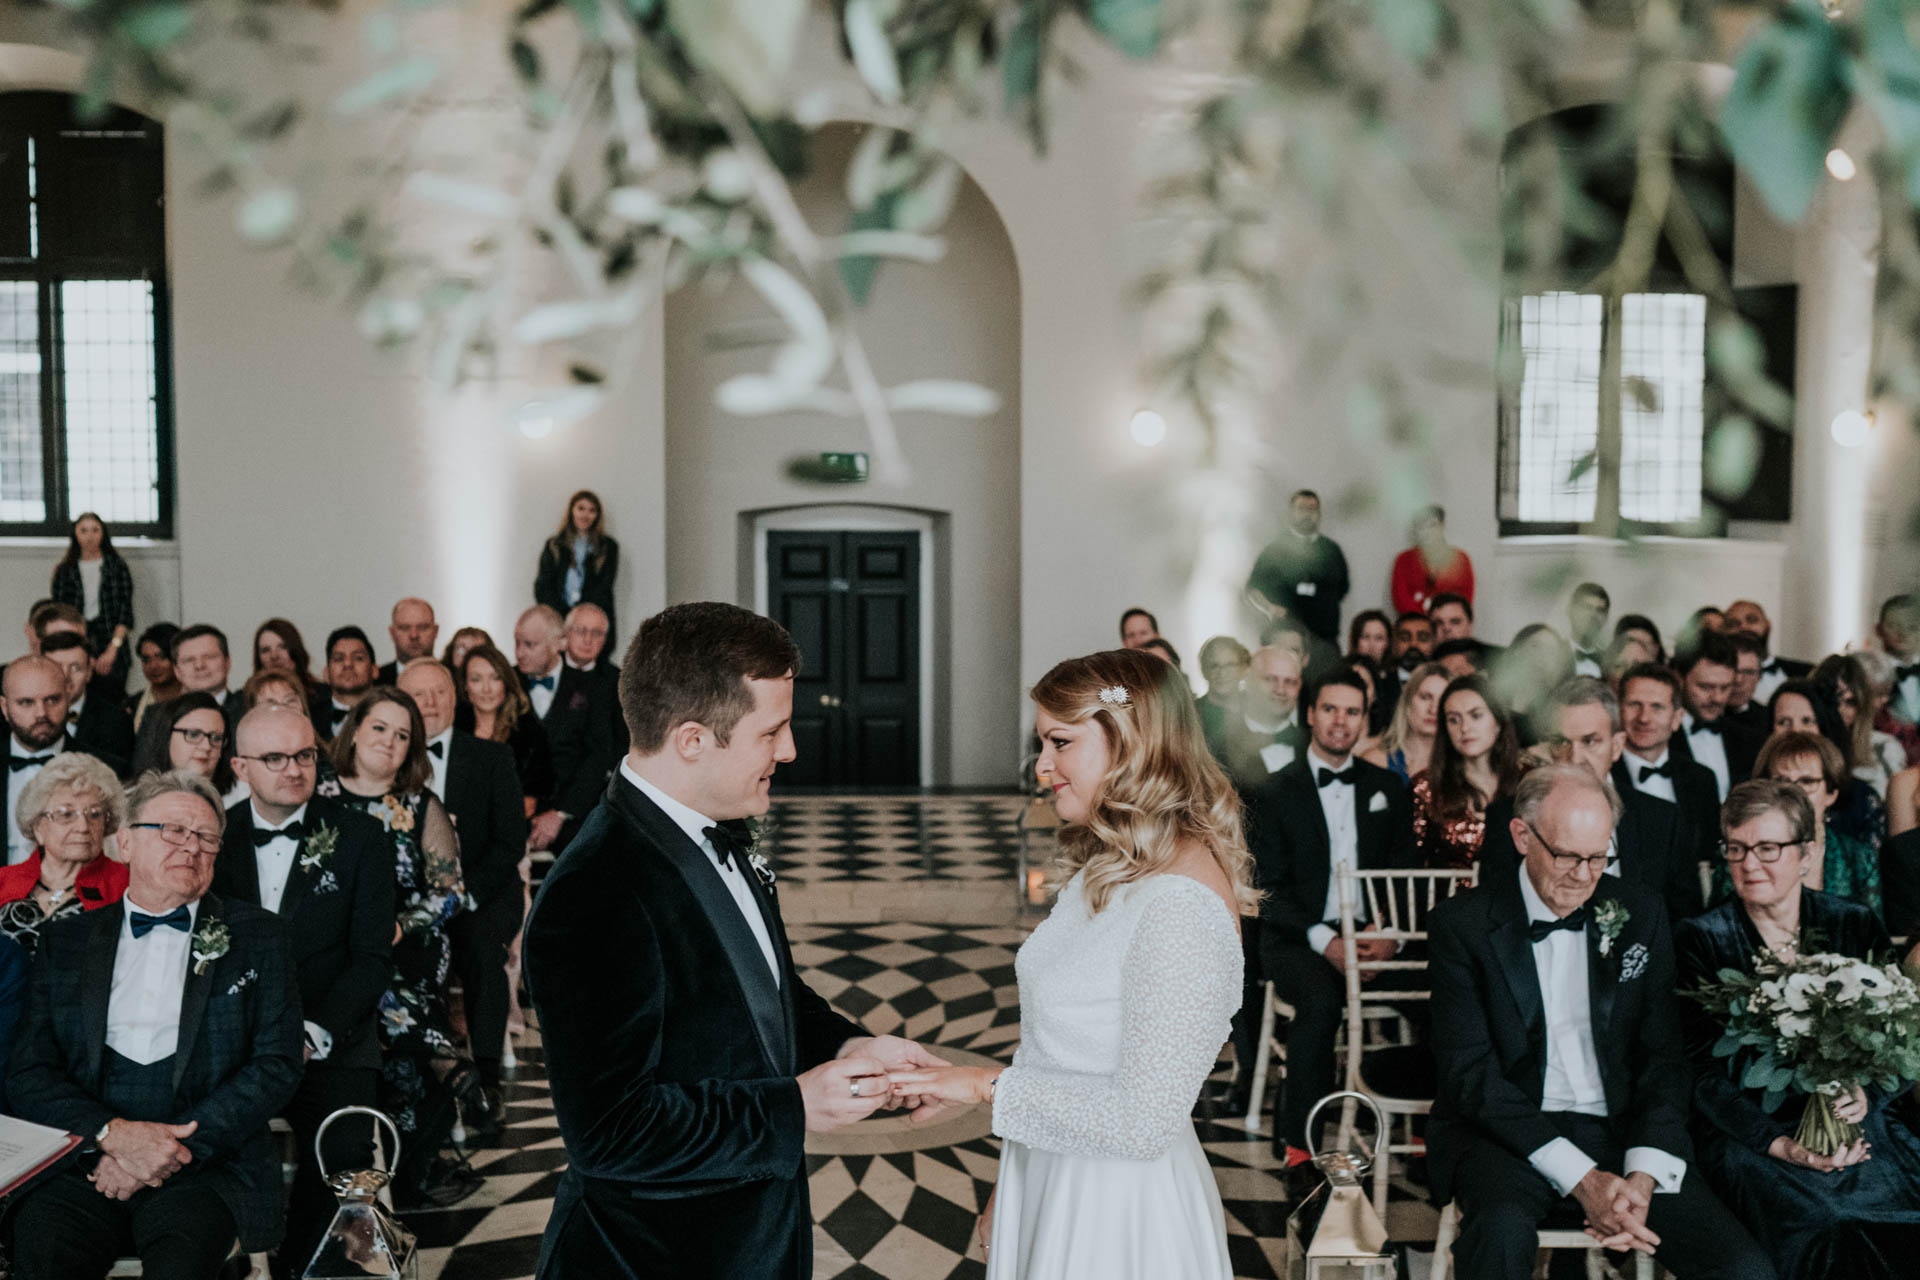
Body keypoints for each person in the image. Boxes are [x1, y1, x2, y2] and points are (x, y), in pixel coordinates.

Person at [523, 601, 946, 1278]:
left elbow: (758, 990)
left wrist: (847, 1044)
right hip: (657, 1256)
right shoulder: (595, 891)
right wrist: (796, 1105)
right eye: (771, 731)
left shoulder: (713, 828)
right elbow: (610, 1133)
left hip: (754, 1240)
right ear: (692, 739)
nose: (790, 750)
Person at [886, 647, 1250, 1279]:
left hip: (1120, 1215)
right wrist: (1010, 1185)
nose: (1043, 767)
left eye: (1060, 742)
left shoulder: (1182, 906)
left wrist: (979, 1088)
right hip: (1050, 1170)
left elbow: (1141, 1123)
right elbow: (1051, 1051)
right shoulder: (1110, 866)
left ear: (1130, 744)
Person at [1427, 764, 1773, 1280]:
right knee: (1498, 1238)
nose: (1585, 875)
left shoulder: (1640, 911)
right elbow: (1471, 1076)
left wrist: (1643, 1173)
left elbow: (1663, 1056)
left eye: (1598, 857)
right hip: (1509, 1135)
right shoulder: (1463, 924)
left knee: (1743, 1268)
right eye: (1568, 855)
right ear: (1522, 836)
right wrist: (1583, 1179)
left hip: (1624, 1129)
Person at [4, 770, 304, 1280]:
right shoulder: (68, 940)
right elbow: (29, 1069)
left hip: (204, 1163)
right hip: (85, 1160)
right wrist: (110, 1136)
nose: (192, 847)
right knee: (43, 1256)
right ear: (125, 842)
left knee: (182, 1268)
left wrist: (169, 1149)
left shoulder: (260, 936)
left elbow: (276, 1064)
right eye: (173, 830)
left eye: (206, 837)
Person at [1676, 779, 1920, 1278]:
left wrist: (1865, 1092)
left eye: (1767, 848)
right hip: (1752, 1136)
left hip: (1857, 1122)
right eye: (1737, 849)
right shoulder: (1700, 939)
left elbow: (1900, 1038)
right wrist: (1778, 1142)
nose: (1748, 864)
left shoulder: (1852, 921)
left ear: (1806, 853)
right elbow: (1699, 1071)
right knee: (1831, 1222)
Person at [211, 705, 396, 1278]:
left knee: (342, 1158)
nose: (293, 769)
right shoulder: (213, 838)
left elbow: (371, 960)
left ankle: (303, 1270)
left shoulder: (362, 836)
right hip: (236, 1041)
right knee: (206, 1141)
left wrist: (314, 1030)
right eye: (275, 758)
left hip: (331, 1034)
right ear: (240, 765)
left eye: (304, 755)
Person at [320, 683, 487, 1206]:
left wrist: (398, 926)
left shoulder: (420, 806)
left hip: (408, 945)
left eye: (402, 735)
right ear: (355, 730)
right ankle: (444, 1057)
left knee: (385, 976)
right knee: (365, 976)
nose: (389, 742)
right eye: (379, 727)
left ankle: (403, 1162)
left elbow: (452, 894)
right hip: (334, 946)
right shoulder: (319, 797)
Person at [1247, 668, 1416, 1166]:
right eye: (1330, 709)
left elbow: (1404, 866)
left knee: (1446, 991)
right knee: (1321, 1002)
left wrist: (1388, 935)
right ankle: (1303, 1144)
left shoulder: (1387, 786)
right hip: (1298, 938)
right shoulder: (1274, 791)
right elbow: (1267, 889)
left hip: (1373, 933)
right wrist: (1327, 943)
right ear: (1310, 715)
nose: (1341, 721)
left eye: (1352, 711)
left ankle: (1429, 1130)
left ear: (1365, 719)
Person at [398, 658, 528, 1139]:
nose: (429, 704)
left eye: (439, 693)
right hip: (407, 904)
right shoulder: (386, 760)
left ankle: (485, 1082)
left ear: (456, 699)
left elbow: (509, 842)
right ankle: (420, 1084)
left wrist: (460, 895)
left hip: (482, 894)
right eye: (418, 695)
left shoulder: (491, 758)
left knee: (479, 954)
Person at [1479, 677, 1703, 927]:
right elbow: (1495, 914)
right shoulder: (1507, 818)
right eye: (1561, 742)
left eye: (1589, 741)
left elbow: (1683, 922)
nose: (1575, 757)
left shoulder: (1662, 820)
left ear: (1617, 745)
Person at [1707, 731, 1883, 924]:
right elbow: (1719, 927)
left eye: (1807, 781)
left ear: (1831, 793)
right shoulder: (1740, 854)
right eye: (1781, 781)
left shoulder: (1859, 857)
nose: (1795, 793)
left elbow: (1871, 936)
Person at [515, 604, 619, 854]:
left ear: (558, 643)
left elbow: (598, 756)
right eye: (517, 643)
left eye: (529, 645)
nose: (519, 653)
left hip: (572, 811)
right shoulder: (509, 681)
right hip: (515, 808)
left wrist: (560, 813)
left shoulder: (596, 687)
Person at [0, 754, 129, 955]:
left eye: (94, 814)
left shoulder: (126, 885)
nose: (83, 827)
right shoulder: (4, 880)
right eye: (66, 814)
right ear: (37, 827)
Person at [1617, 663, 1721, 874]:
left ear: (1677, 719)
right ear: (1618, 712)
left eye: (1657, 707)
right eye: (1634, 704)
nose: (1644, 718)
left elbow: (1709, 856)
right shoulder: (1603, 775)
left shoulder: (1702, 779)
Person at [1413, 673, 1521, 871]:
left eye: (1476, 715)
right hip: (1447, 899)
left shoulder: (1526, 780)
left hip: (1511, 901)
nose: (1465, 728)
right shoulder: (1425, 787)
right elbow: (1409, 868)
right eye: (1453, 720)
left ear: (1497, 723)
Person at [458, 643, 555, 814]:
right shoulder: (453, 731)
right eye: (476, 679)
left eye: (495, 678)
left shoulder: (530, 734)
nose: (486, 689)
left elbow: (531, 802)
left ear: (506, 682)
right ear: (465, 686)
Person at [1246, 489, 1349, 645]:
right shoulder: (1275, 550)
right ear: (1291, 512)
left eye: (1312, 509)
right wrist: (1270, 608)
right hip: (1284, 639)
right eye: (1301, 509)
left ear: (1319, 514)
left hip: (1324, 640)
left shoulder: (1331, 550)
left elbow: (1342, 589)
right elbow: (1253, 589)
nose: (1307, 514)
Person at [1670, 631, 1761, 802]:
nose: (1717, 698)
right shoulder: (1659, 737)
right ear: (1678, 678)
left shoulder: (1748, 740)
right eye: (1706, 687)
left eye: (1725, 687)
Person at [48, 511, 134, 688]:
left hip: (112, 641)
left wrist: (112, 650)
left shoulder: (117, 566)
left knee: (113, 696)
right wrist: (84, 654)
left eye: (95, 530)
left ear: (103, 534)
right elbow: (61, 614)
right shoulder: (65, 570)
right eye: (84, 530)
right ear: (76, 534)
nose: (90, 536)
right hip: (77, 641)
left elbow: (125, 612)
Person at [4, 656, 76, 866]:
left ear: (68, 697)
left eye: (52, 700)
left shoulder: (105, 767)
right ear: (4, 706)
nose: (41, 713)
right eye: (26, 702)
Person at [534, 488, 621, 641]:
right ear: (571, 511)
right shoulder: (554, 545)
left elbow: (603, 587)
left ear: (597, 515)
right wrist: (563, 615)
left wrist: (580, 615)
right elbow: (543, 585)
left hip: (592, 621)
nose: (585, 515)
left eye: (591, 510)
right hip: (557, 621)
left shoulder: (607, 547)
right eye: (581, 508)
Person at [44, 631, 134, 773]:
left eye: (75, 668)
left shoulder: (116, 721)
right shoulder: (17, 717)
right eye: (57, 667)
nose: (65, 677)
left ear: (89, 673)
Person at [128, 692, 237, 803]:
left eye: (216, 738)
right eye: (193, 734)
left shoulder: (238, 802)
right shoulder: (129, 801)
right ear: (166, 737)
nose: (207, 746)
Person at [1221, 646, 1305, 788]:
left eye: (1290, 682)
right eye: (1270, 679)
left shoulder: (1313, 744)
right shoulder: (1218, 744)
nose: (1280, 690)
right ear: (1248, 682)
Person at [1361, 659, 1449, 784]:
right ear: (1407, 702)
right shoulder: (1376, 761)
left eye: (1442, 700)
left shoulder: (1460, 767)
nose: (1433, 709)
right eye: (1425, 697)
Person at [1722, 599, 1809, 706]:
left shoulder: (1806, 673)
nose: (1743, 627)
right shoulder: (1715, 677)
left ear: (1768, 625)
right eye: (1733, 624)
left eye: (1752, 620)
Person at [1390, 505, 1474, 616]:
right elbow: (1401, 599)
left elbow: (1465, 597)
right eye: (1421, 526)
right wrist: (1423, 619)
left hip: (1450, 623)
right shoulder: (1404, 560)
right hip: (1415, 623)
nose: (1427, 531)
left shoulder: (1460, 559)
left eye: (1432, 525)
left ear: (1442, 526)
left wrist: (1442, 618)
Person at [171, 625, 241, 745]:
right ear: (177, 671)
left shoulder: (249, 711)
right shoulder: (155, 717)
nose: (199, 665)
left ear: (227, 662)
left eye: (209, 657)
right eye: (189, 660)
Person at [1194, 636, 1250, 764]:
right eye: (1214, 666)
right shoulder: (1191, 715)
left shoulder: (1258, 709)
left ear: (1243, 669)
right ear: (1203, 670)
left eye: (1230, 665)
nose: (1222, 673)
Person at [316, 625, 377, 740]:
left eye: (358, 658)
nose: (348, 664)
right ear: (326, 673)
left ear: (374, 670)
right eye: (339, 659)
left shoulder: (390, 714)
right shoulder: (309, 717)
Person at [251, 618, 324, 702]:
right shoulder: (245, 701)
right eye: (266, 650)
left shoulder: (325, 697)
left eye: (282, 647)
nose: (274, 656)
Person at [127, 622, 182, 729]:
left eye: (161, 657)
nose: (153, 666)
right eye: (146, 659)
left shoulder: (196, 700)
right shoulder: (132, 705)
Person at [380, 598, 440, 684]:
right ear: (392, 633)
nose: (414, 635)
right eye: (405, 628)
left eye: (422, 627)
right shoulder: (374, 682)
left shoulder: (455, 678)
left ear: (435, 631)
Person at [1723, 632, 1770, 737]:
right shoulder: (1700, 717)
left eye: (1748, 672)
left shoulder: (1770, 719)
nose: (1738, 680)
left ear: (1759, 677)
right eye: (1733, 670)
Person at [1567, 583, 1611, 676]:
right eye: (1586, 607)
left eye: (1600, 610)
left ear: (1606, 617)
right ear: (1570, 610)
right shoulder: (1554, 656)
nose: (1592, 615)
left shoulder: (1611, 662)